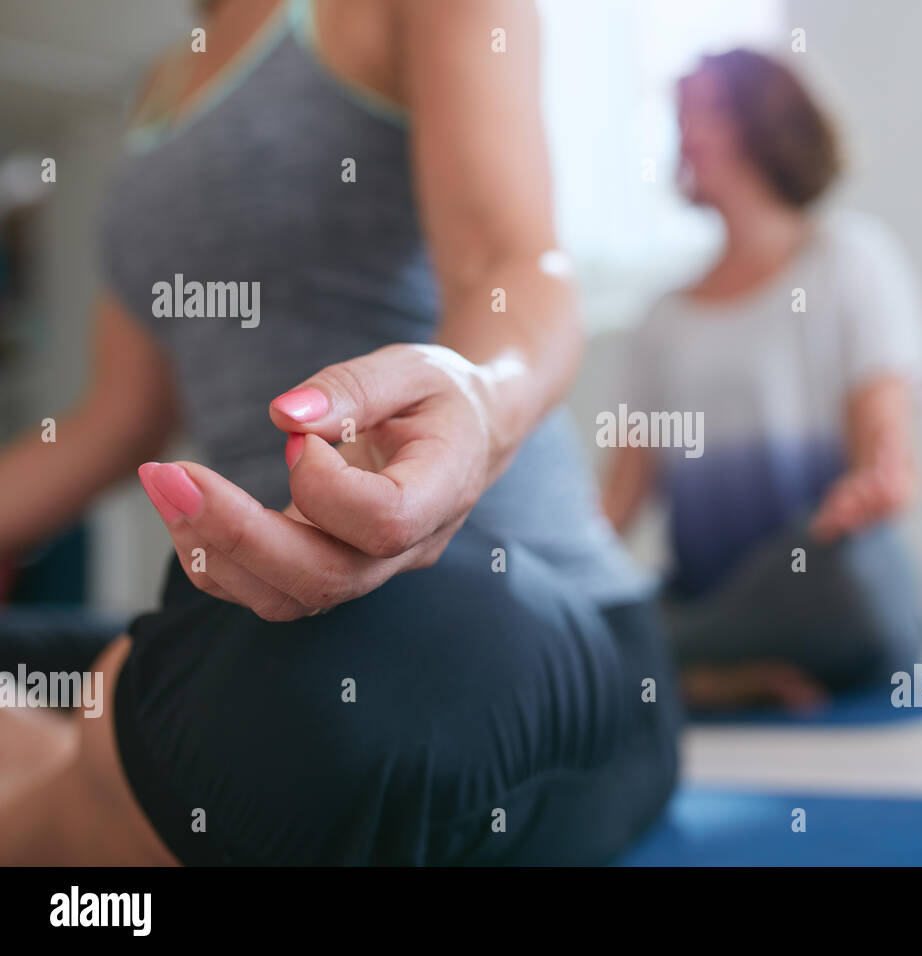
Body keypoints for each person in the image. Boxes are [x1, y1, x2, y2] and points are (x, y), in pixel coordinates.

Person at [0, 0, 680, 865]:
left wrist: (474, 397)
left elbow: (511, 267)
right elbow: (115, 418)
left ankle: (63, 784)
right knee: (240, 698)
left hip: (513, 609)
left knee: (321, 716)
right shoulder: (158, 90)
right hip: (252, 620)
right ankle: (96, 764)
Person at [603, 50, 922, 713]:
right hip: (704, 593)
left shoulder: (851, 260)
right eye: (683, 115)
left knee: (856, 591)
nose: (689, 132)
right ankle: (708, 670)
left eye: (711, 111)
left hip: (822, 577)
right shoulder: (663, 318)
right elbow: (623, 494)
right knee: (583, 620)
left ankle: (671, 670)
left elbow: (887, 451)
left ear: (767, 123)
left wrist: (871, 490)